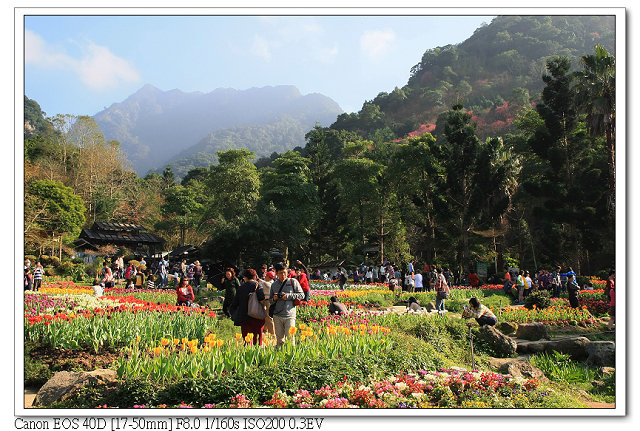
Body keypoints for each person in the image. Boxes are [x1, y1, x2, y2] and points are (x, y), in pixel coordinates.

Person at [269, 262, 304, 347]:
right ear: (276, 273)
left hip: (290, 315)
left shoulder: (293, 282)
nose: (283, 275)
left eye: (285, 272)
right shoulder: (274, 285)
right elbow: (270, 300)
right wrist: (274, 298)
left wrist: (288, 296)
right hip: (277, 315)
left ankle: (291, 357)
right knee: (279, 340)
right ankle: (280, 357)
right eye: (281, 273)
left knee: (290, 339)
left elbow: (302, 295)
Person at [230, 269, 266, 345]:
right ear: (255, 276)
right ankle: (257, 355)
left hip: (244, 317)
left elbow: (235, 303)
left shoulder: (241, 288)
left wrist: (234, 315)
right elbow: (262, 300)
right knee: (257, 340)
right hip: (257, 317)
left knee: (247, 341)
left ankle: (248, 355)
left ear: (245, 278)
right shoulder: (258, 286)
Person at [259, 270, 276, 336]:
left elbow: (263, 283)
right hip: (269, 301)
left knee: (268, 317)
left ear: (269, 277)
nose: (265, 277)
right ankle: (265, 330)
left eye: (266, 276)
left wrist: (258, 280)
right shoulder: (273, 282)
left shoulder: (268, 284)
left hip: (268, 301)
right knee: (266, 316)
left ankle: (272, 333)